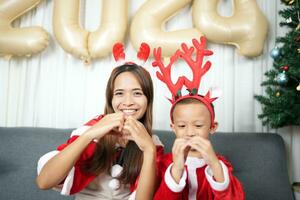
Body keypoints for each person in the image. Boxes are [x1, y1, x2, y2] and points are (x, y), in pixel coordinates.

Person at [36, 63, 162, 200]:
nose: (128, 102)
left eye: (137, 93)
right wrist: (89, 135)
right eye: (119, 93)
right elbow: (44, 182)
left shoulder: (152, 144)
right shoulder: (91, 129)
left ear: (148, 100)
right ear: (110, 99)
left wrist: (149, 150)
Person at [152, 36, 245, 199]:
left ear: (212, 127)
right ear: (173, 127)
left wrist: (214, 163)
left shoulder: (220, 165)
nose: (190, 133)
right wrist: (177, 169)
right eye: (182, 126)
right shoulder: (165, 163)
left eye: (198, 125)